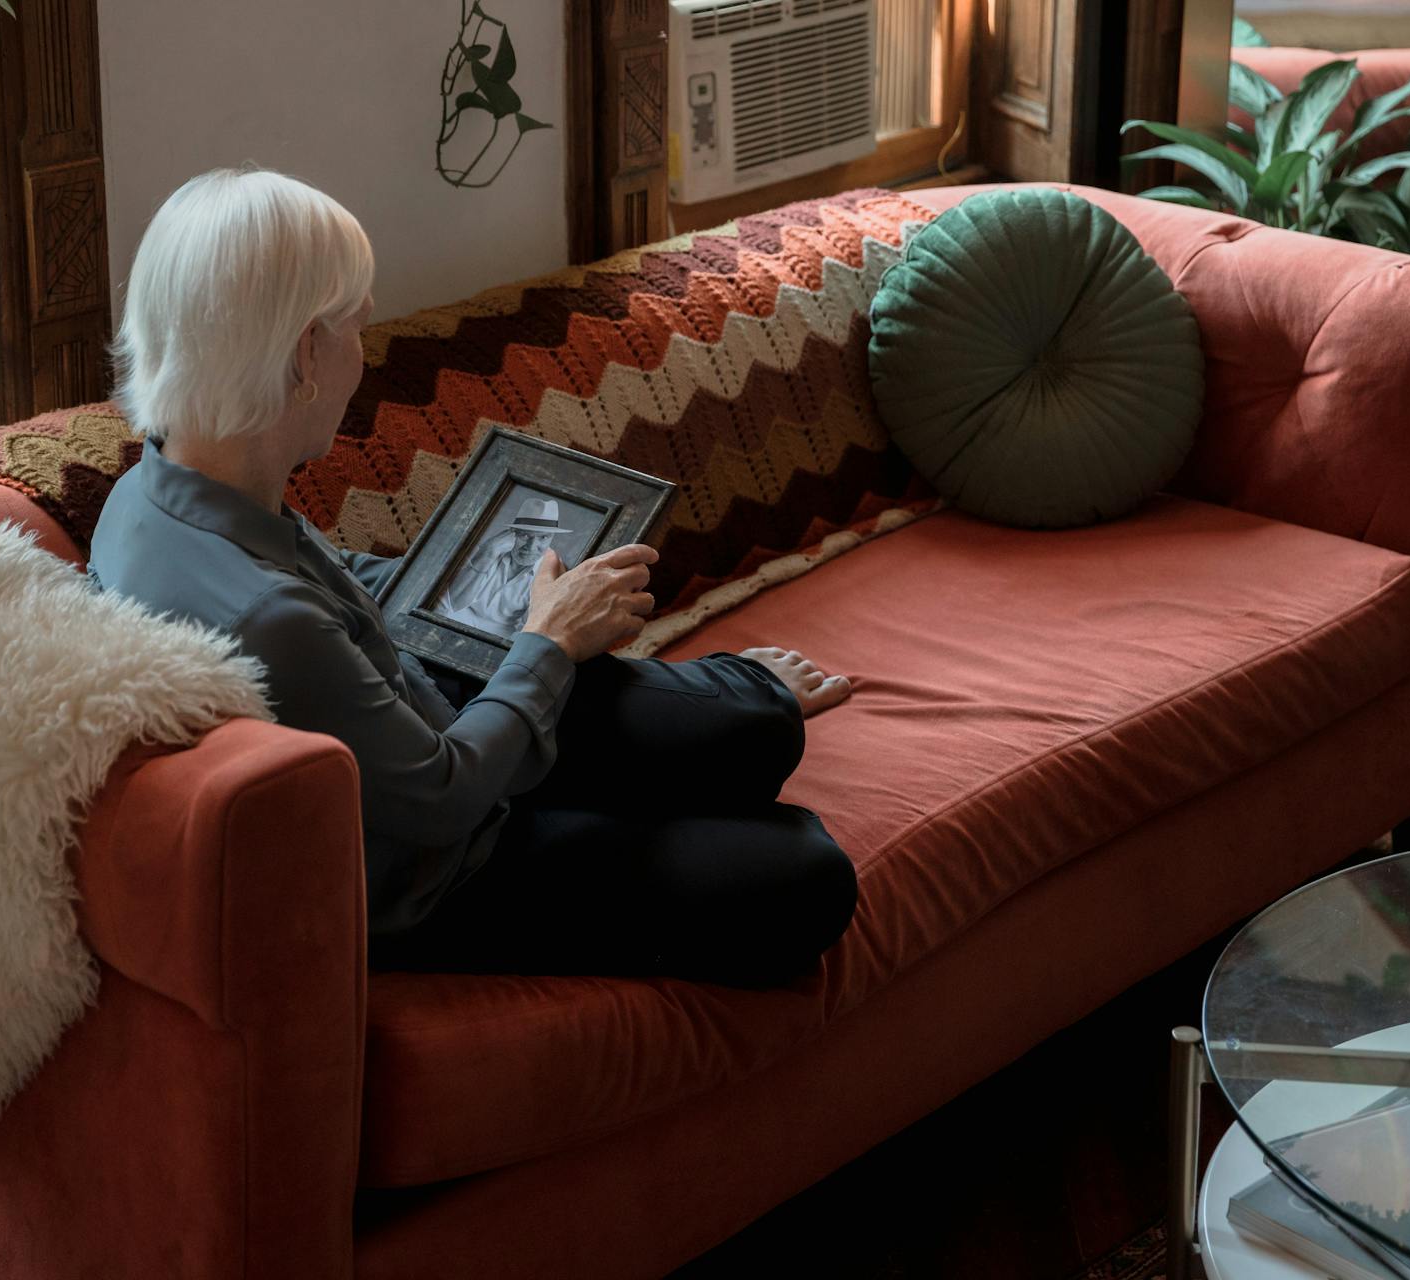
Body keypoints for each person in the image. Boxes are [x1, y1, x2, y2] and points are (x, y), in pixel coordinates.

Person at [88, 168, 858, 989]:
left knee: (758, 729)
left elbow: (331, 583)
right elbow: (444, 797)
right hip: (445, 862)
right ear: (306, 353)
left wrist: (468, 572)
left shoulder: (151, 491)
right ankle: (687, 768)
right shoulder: (268, 617)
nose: (364, 353)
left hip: (421, 711)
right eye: (356, 327)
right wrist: (548, 642)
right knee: (810, 872)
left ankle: (728, 717)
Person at [438, 497, 569, 636]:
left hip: (500, 635)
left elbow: (527, 630)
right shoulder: (485, 551)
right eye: (525, 535)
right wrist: (487, 554)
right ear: (512, 532)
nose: (531, 547)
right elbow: (450, 603)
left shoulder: (548, 573)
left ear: (552, 537)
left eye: (543, 538)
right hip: (459, 618)